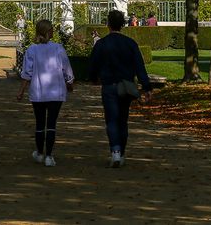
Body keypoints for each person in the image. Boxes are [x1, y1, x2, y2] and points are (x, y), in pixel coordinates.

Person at [88, 9, 152, 168]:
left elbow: (93, 65)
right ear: (123, 24)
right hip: (126, 86)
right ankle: (121, 152)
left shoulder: (102, 44)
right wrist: (147, 87)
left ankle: (115, 151)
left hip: (109, 86)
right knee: (123, 120)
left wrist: (93, 78)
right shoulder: (130, 43)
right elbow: (140, 67)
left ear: (108, 24)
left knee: (111, 120)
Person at [17, 19, 74, 167]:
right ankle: (49, 155)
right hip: (56, 91)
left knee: (40, 123)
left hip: (38, 92)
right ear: (49, 32)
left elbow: (26, 73)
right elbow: (66, 68)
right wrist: (70, 82)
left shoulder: (32, 50)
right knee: (51, 124)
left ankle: (40, 153)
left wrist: (21, 91)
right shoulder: (58, 48)